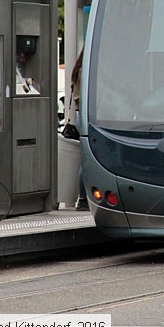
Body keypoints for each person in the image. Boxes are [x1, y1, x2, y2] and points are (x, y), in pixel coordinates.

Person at [67, 52, 88, 211]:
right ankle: (83, 200)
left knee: (85, 159)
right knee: (87, 160)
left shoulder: (77, 71)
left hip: (81, 114)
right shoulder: (85, 71)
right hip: (87, 116)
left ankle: (82, 199)